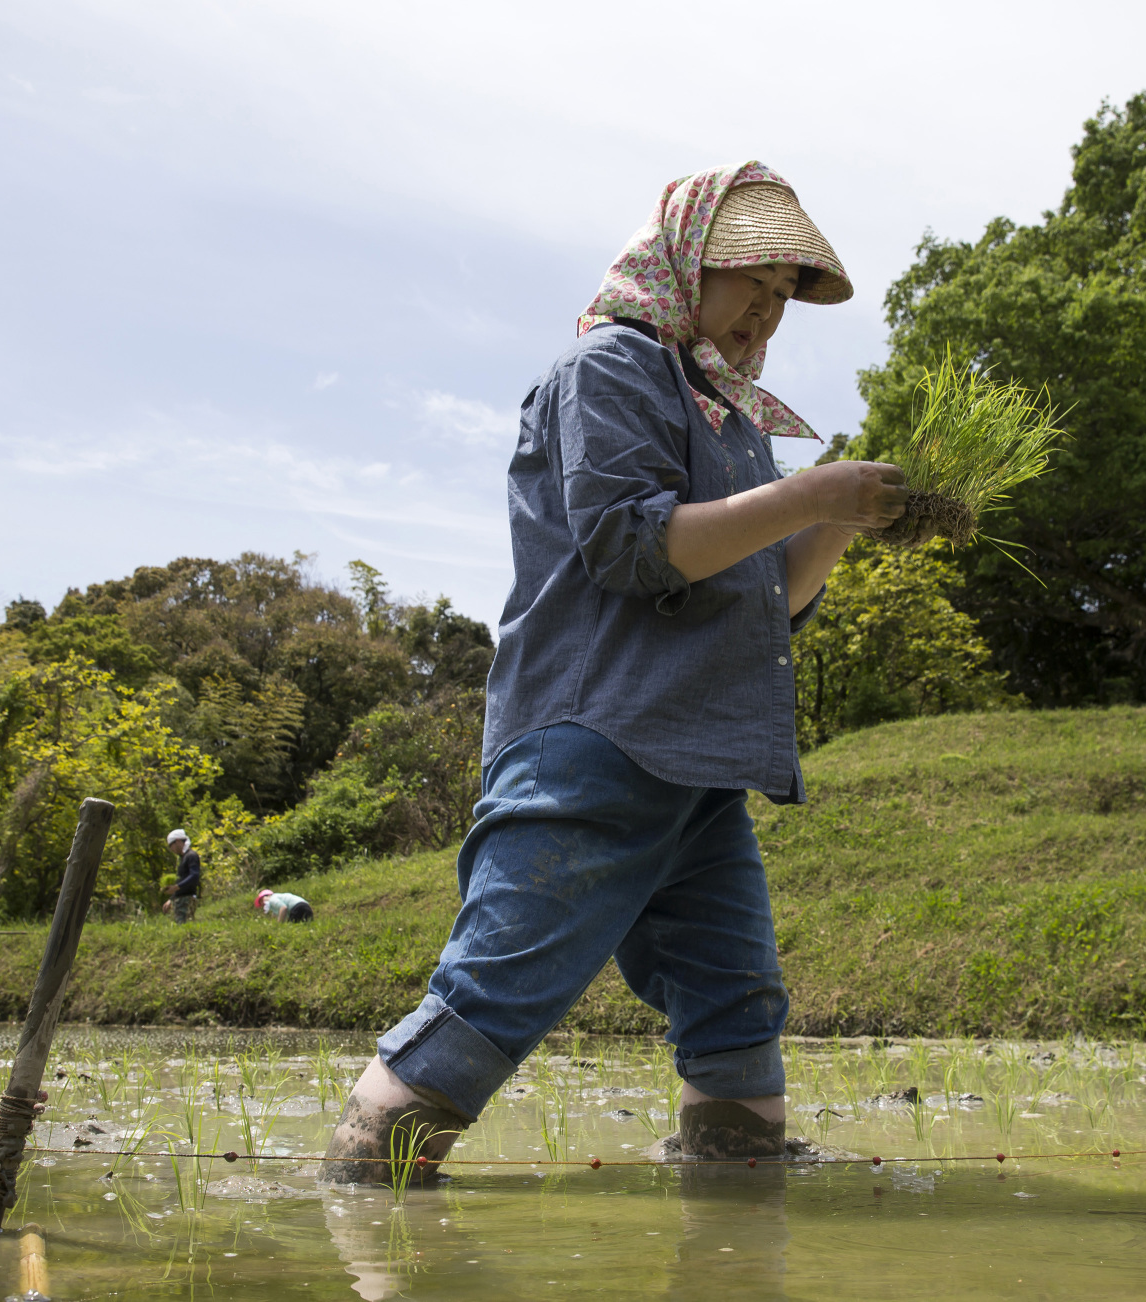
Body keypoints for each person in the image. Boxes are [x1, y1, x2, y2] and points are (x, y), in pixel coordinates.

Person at [316, 162, 915, 1186]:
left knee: (735, 1001)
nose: (760, 320)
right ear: (686, 266)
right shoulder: (613, 368)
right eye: (748, 290)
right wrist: (807, 489)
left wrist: (837, 517)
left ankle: (732, 1211)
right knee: (498, 983)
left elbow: (768, 595)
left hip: (696, 760)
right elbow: (632, 546)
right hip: (593, 742)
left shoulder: (730, 420)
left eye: (778, 304)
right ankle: (357, 1199)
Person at [160, 828, 201, 923]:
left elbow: (194, 875)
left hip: (187, 900)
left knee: (185, 926)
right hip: (180, 900)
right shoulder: (183, 858)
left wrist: (176, 887)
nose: (171, 849)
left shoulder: (191, 855)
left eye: (171, 845)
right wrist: (172, 899)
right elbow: (182, 880)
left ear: (178, 841)